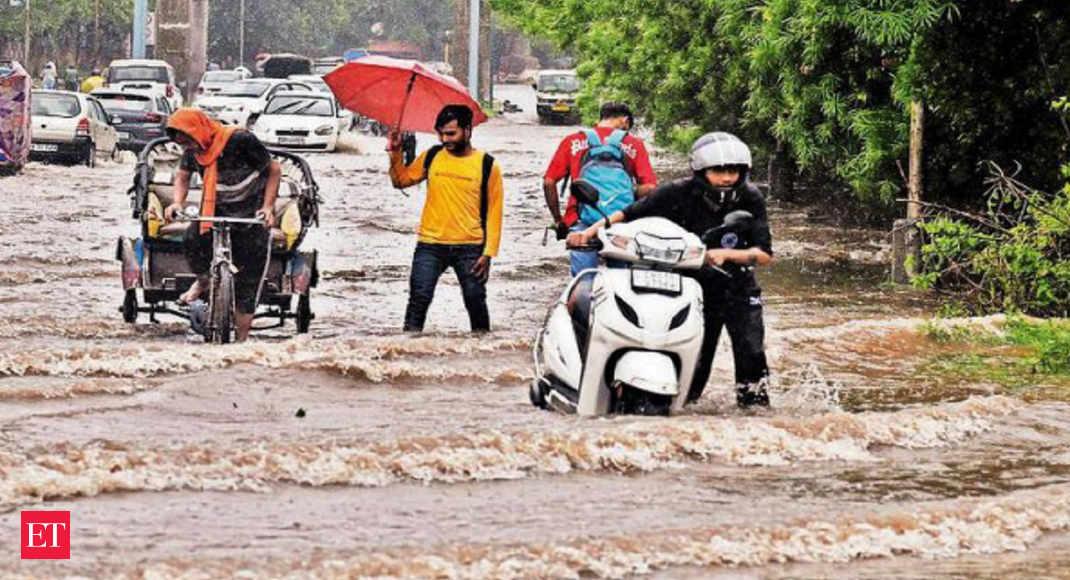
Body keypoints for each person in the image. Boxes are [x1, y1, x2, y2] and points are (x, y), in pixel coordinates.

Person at [568, 132, 774, 408]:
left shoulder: (750, 198)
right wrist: (591, 231)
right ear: (701, 171)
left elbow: (763, 255)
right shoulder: (677, 191)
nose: (726, 178)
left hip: (738, 287)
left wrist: (726, 255)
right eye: (718, 171)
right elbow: (630, 214)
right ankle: (682, 410)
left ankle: (755, 416)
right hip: (693, 287)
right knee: (696, 361)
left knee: (751, 354)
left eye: (733, 171)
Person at [162, 109, 282, 342]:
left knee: (249, 278)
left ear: (198, 131)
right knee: (192, 240)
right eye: (183, 144)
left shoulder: (240, 139)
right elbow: (183, 175)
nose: (188, 148)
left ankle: (241, 341)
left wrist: (267, 208)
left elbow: (274, 170)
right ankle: (204, 279)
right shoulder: (193, 149)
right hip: (214, 210)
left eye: (188, 141)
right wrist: (177, 202)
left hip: (251, 213)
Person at [388, 105, 505, 333]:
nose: (445, 139)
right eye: (441, 133)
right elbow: (400, 181)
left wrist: (488, 253)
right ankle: (408, 353)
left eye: (451, 133)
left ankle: (482, 355)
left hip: (470, 247)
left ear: (468, 131)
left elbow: (494, 212)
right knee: (418, 300)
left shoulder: (487, 165)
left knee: (475, 302)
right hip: (430, 245)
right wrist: (395, 152)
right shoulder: (432, 156)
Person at [543, 102, 657, 276]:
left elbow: (549, 182)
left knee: (583, 279)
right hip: (619, 221)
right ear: (625, 121)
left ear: (601, 117)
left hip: (580, 219)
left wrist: (559, 220)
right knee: (622, 280)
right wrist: (626, 196)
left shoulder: (572, 141)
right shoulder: (634, 144)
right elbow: (649, 187)